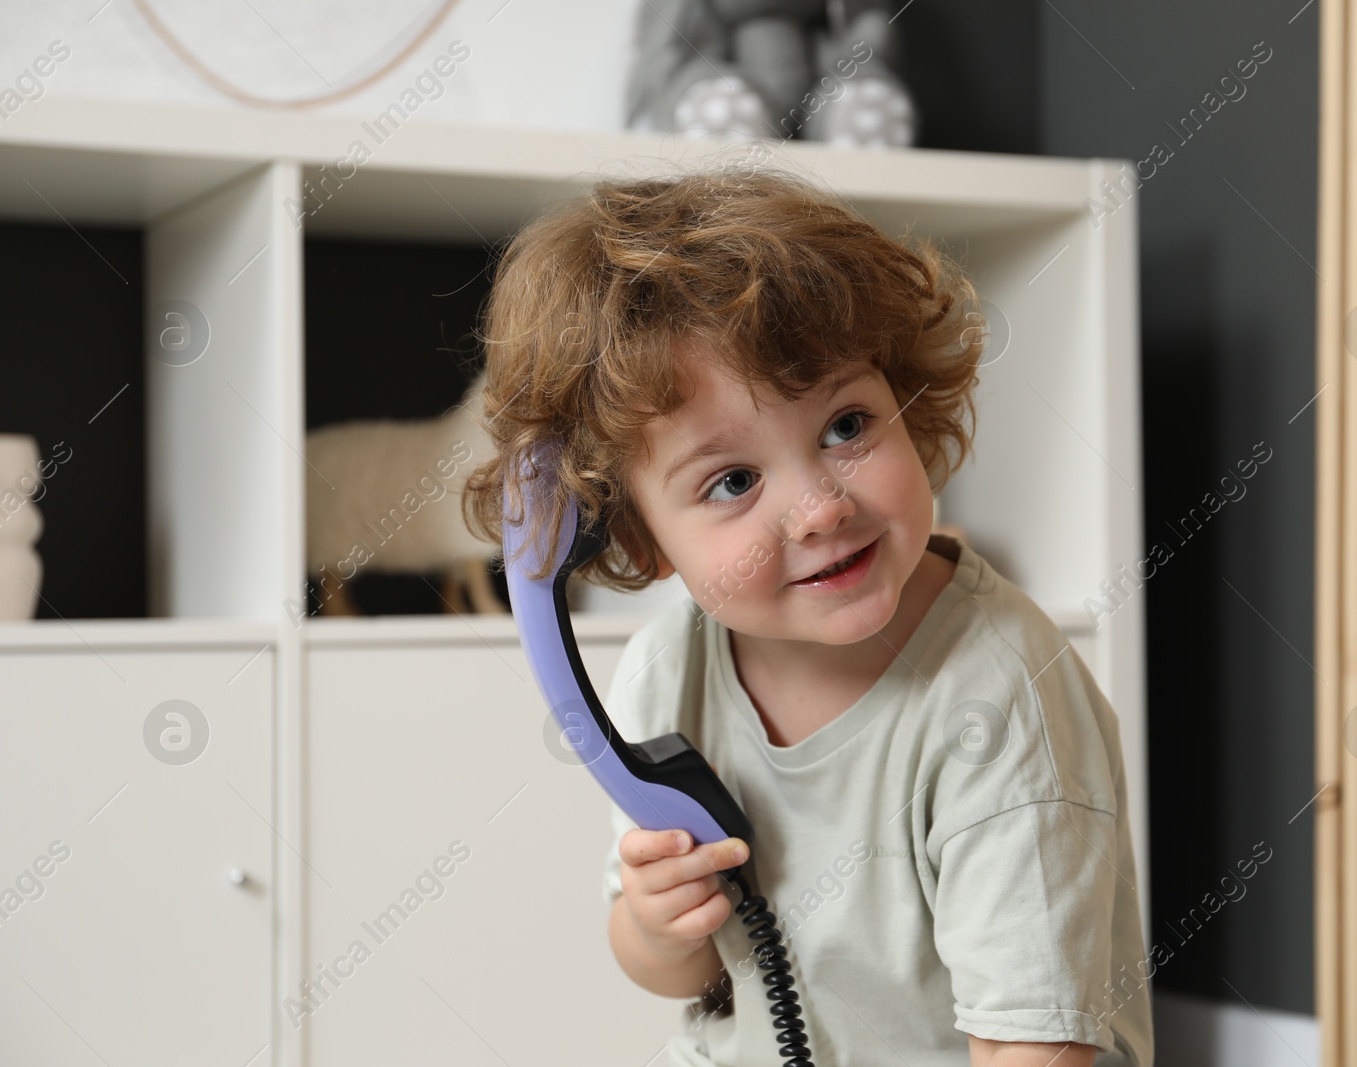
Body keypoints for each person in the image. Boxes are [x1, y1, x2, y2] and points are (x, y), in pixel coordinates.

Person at [462, 156, 1154, 1067]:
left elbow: (1035, 1046)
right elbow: (677, 972)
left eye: (847, 425)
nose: (821, 507)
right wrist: (660, 925)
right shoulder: (670, 668)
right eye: (734, 480)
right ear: (635, 536)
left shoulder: (998, 698)